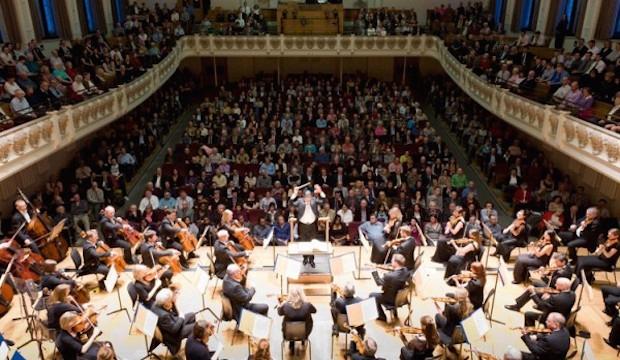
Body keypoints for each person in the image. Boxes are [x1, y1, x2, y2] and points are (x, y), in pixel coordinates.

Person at [505, 253, 573, 312]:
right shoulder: (566, 267)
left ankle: (517, 306)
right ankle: (538, 304)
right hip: (554, 287)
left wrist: (547, 291)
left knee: (530, 290)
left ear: (563, 262)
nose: (555, 263)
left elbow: (554, 285)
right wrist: (545, 273)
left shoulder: (562, 273)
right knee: (534, 282)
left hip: (554, 290)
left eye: (557, 262)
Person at [151, 287, 196, 354]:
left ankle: (192, 338)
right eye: (170, 300)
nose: (171, 300)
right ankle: (194, 343)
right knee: (195, 326)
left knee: (192, 315)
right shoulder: (164, 315)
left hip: (171, 323)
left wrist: (174, 303)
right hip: (172, 334)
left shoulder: (156, 304)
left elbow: (175, 314)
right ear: (165, 303)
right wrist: (181, 318)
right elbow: (174, 329)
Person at [289, 184, 326, 267]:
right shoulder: (299, 201)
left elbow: (324, 201)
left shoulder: (314, 200)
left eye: (309, 196)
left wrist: (321, 192)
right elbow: (290, 203)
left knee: (312, 243)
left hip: (312, 225)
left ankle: (312, 260)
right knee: (304, 243)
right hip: (302, 226)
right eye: (306, 196)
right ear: (303, 196)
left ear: (311, 196)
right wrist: (294, 194)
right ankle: (305, 258)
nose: (308, 198)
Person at [369, 253, 410, 322]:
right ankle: (394, 313)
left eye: (392, 261)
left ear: (396, 263)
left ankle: (381, 316)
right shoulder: (406, 271)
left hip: (391, 300)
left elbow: (379, 283)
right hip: (401, 298)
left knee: (372, 295)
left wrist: (374, 271)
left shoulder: (389, 276)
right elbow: (396, 272)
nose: (391, 262)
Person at [276, 287, 316, 354]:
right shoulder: (307, 305)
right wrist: (307, 302)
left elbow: (279, 313)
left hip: (288, 334)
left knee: (288, 320)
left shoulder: (285, 306)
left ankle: (291, 343)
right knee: (308, 317)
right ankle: (303, 340)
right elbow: (314, 311)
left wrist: (279, 304)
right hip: (305, 333)